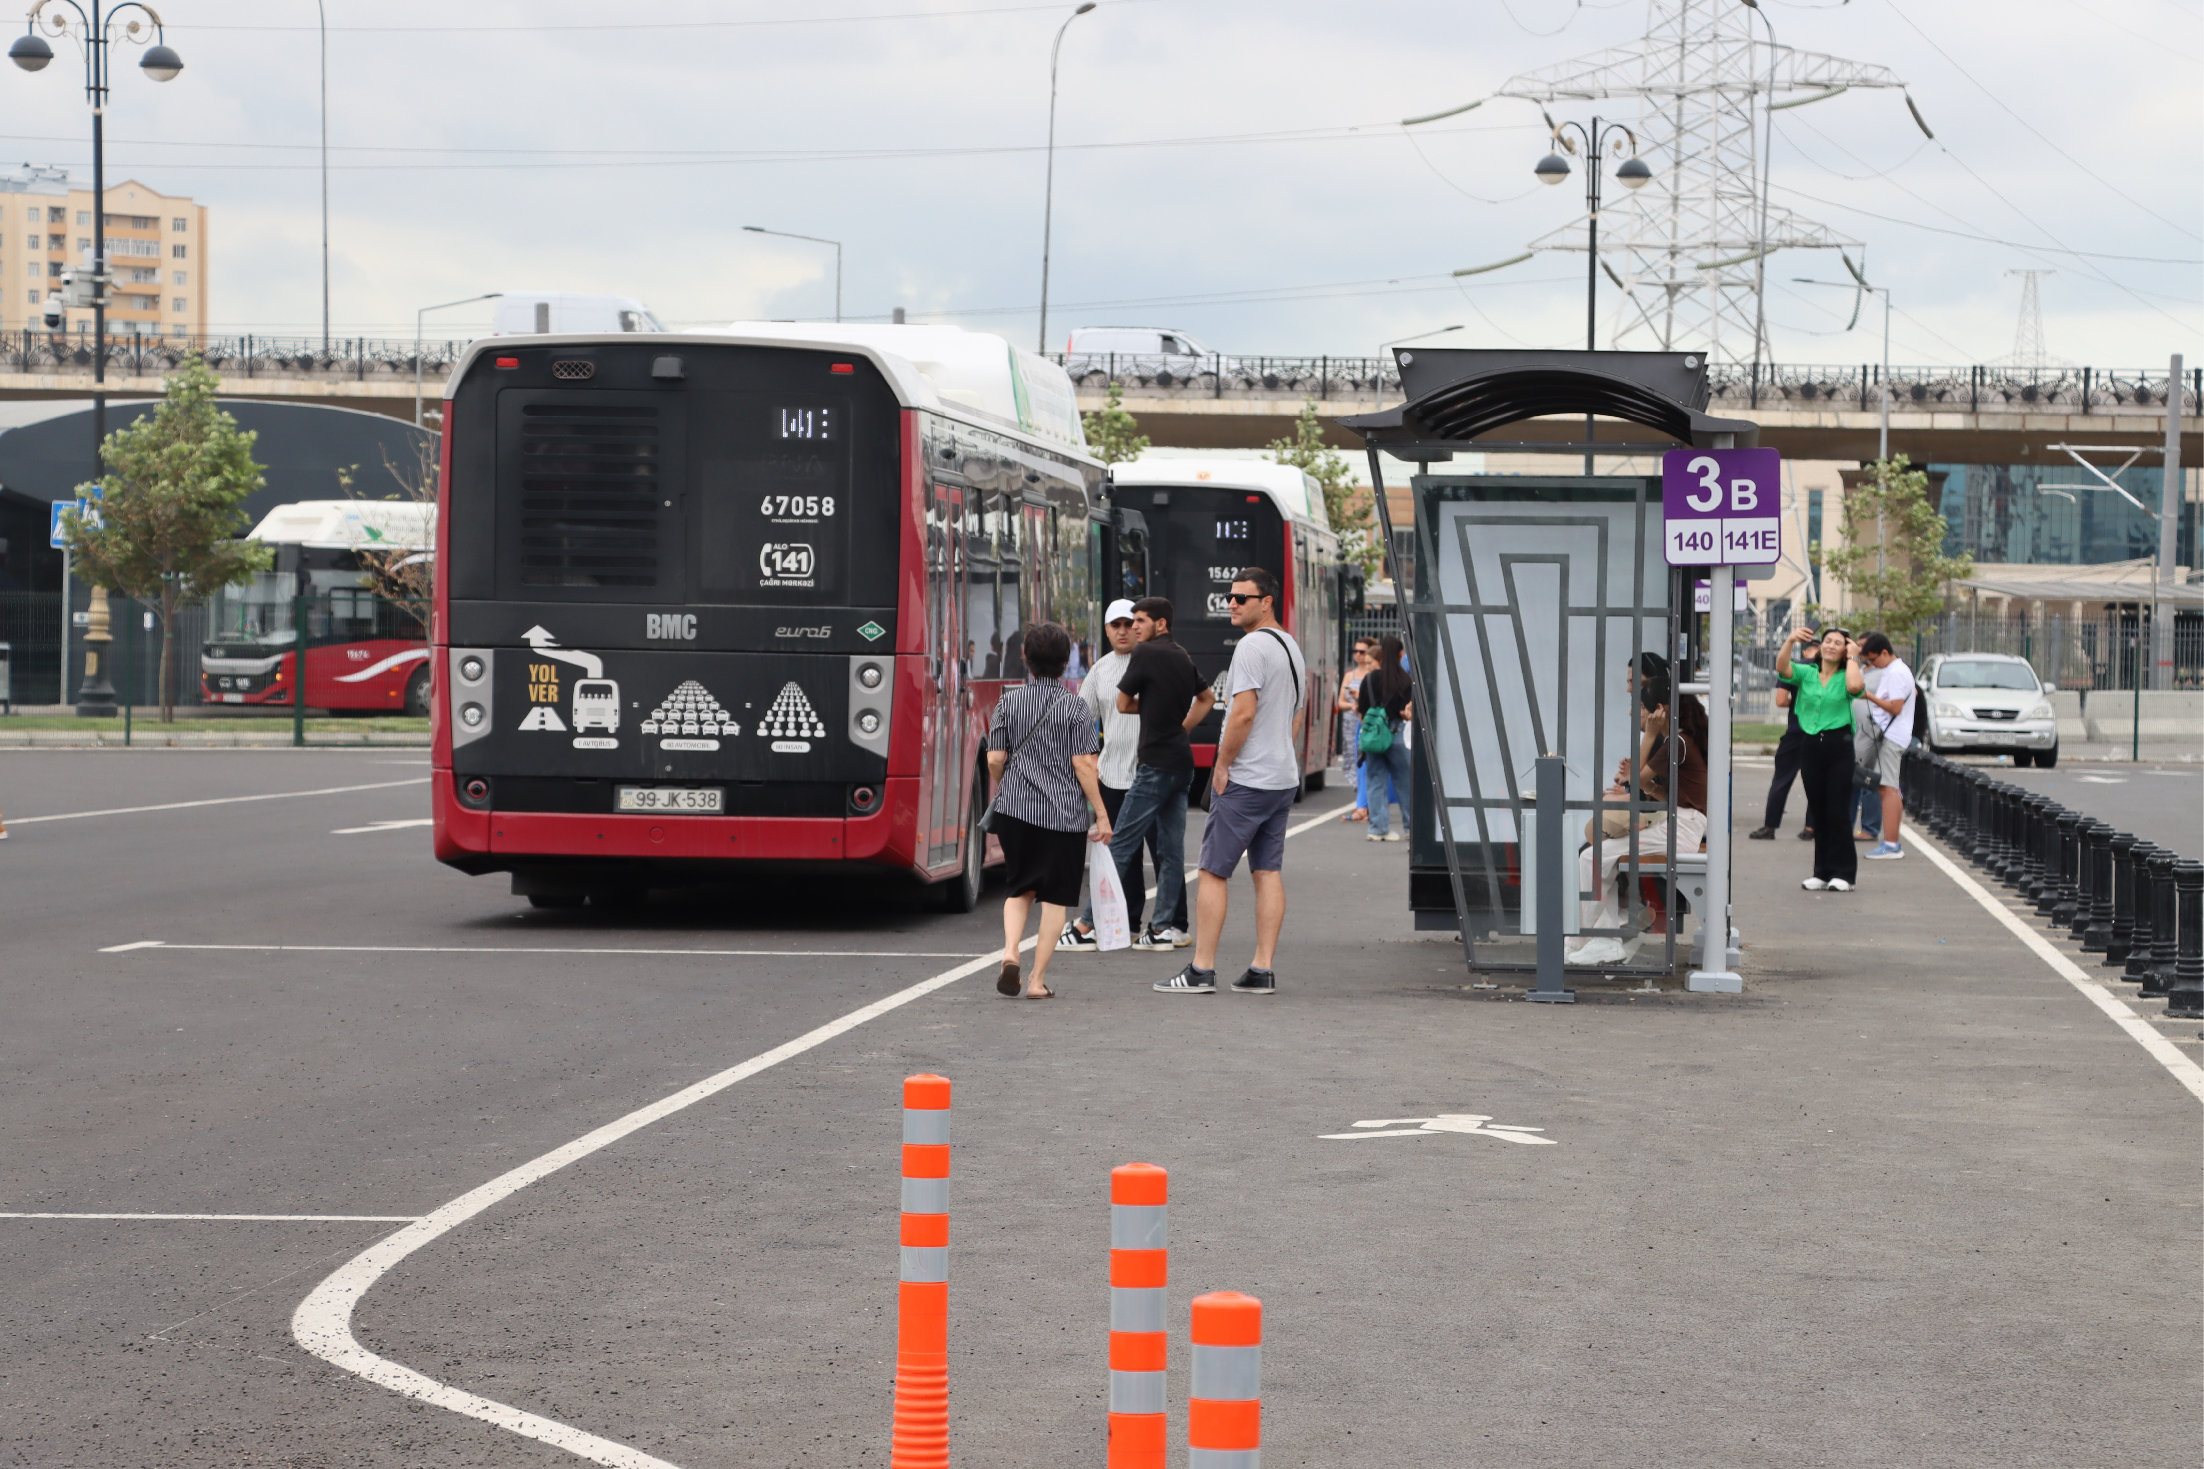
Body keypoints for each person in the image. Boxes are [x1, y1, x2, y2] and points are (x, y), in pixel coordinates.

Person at [1157, 567, 1303, 996]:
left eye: (1242, 597)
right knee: (1268, 870)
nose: (1232, 604)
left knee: (1213, 871)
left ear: (1266, 601)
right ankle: (1262, 968)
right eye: (1230, 597)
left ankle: (1201, 969)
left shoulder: (1251, 647)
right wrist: (1277, 752)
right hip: (1280, 777)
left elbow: (1241, 713)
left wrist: (1222, 765)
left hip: (1247, 778)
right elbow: (1295, 713)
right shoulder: (1290, 646)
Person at [987, 622, 1112, 999]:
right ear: (1065, 661)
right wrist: (1102, 814)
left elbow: (995, 757)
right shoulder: (1075, 707)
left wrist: (1005, 785)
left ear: (1025, 658)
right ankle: (1037, 981)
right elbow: (1085, 765)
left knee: (1018, 887)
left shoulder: (1008, 702)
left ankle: (1010, 951)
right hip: (1063, 817)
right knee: (1055, 898)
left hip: (1015, 811)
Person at [1566, 676, 1710, 965]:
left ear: (1658, 709)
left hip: (1682, 828)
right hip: (1683, 823)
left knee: (1591, 858)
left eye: (1642, 708)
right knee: (1596, 856)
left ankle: (1601, 938)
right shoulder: (1680, 740)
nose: (1637, 714)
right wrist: (1645, 781)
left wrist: (1648, 739)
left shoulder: (1676, 742)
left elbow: (1631, 781)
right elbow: (1655, 790)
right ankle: (1593, 937)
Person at [1112, 595, 1206, 949]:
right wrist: (1183, 727)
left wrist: (1150, 708)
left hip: (1154, 766)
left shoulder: (1147, 654)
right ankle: (1163, 927)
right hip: (1182, 764)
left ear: (1160, 624)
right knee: (1171, 851)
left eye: (1140, 620)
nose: (1133, 626)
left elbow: (1121, 704)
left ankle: (1088, 925)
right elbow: (1208, 698)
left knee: (1121, 842)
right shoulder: (1182, 654)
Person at [1058, 600, 1143, 951]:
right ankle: (1128, 922)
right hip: (1111, 775)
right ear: (1106, 630)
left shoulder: (1152, 662)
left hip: (1148, 773)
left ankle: (1171, 924)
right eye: (1115, 625)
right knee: (1121, 853)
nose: (1122, 631)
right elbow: (1083, 717)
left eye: (1128, 623)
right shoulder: (1100, 670)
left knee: (1160, 852)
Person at [1775, 624, 1865, 891]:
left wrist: (1852, 657)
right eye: (1828, 641)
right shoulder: (1807, 672)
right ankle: (1821, 871)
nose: (1831, 645)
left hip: (1839, 746)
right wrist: (1790, 640)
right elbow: (1783, 668)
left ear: (1845, 648)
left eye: (1838, 642)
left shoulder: (1848, 672)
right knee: (1818, 812)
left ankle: (1844, 874)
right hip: (1811, 745)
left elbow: (1855, 686)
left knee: (1838, 811)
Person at [1856, 631, 1917, 860]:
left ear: (1884, 652)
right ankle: (1891, 842)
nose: (1872, 664)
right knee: (1887, 788)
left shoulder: (1896, 672)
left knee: (1888, 788)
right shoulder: (1894, 670)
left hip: (1892, 735)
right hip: (1891, 734)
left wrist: (1869, 696)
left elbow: (1895, 707)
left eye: (1873, 659)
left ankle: (1892, 844)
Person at [1747, 648, 1815, 842]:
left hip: (1795, 732)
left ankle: (1770, 827)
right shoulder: (1824, 671)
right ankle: (1811, 827)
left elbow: (1780, 700)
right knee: (1815, 781)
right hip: (1817, 732)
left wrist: (1798, 702)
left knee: (1781, 780)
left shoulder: (1793, 669)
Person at [1356, 633, 1414, 842]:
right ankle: (1410, 828)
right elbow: (1406, 711)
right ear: (1400, 654)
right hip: (1396, 732)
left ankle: (1378, 828)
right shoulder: (1405, 679)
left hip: (1373, 735)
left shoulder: (1370, 679)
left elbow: (1361, 709)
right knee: (1404, 781)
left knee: (1375, 780)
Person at [1337, 638, 1373, 817]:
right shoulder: (1349, 675)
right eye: (1355, 651)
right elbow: (1340, 702)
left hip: (1366, 722)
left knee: (1364, 762)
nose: (1358, 655)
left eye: (1362, 652)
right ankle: (1362, 800)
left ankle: (1363, 804)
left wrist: (1360, 700)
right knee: (1351, 760)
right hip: (1350, 721)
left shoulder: (1372, 674)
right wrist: (1352, 705)